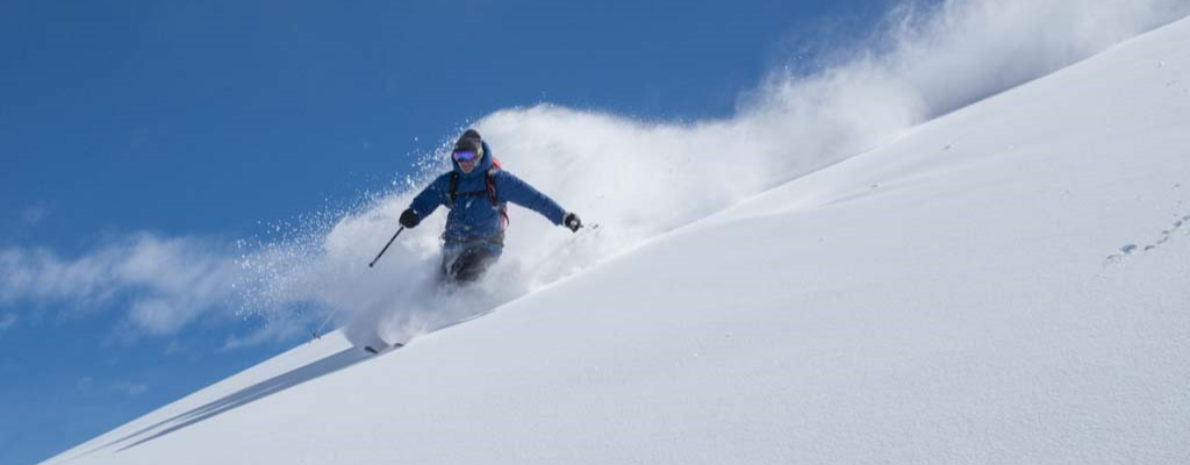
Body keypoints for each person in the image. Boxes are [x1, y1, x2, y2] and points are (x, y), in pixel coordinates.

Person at [398, 129, 582, 284]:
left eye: (468, 155)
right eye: (459, 156)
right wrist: (414, 213)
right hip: (453, 245)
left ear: (478, 154)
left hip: (485, 245)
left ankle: (475, 322)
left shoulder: (497, 180)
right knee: (440, 285)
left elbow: (534, 199)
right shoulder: (451, 181)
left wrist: (563, 217)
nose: (464, 162)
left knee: (462, 282)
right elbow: (427, 199)